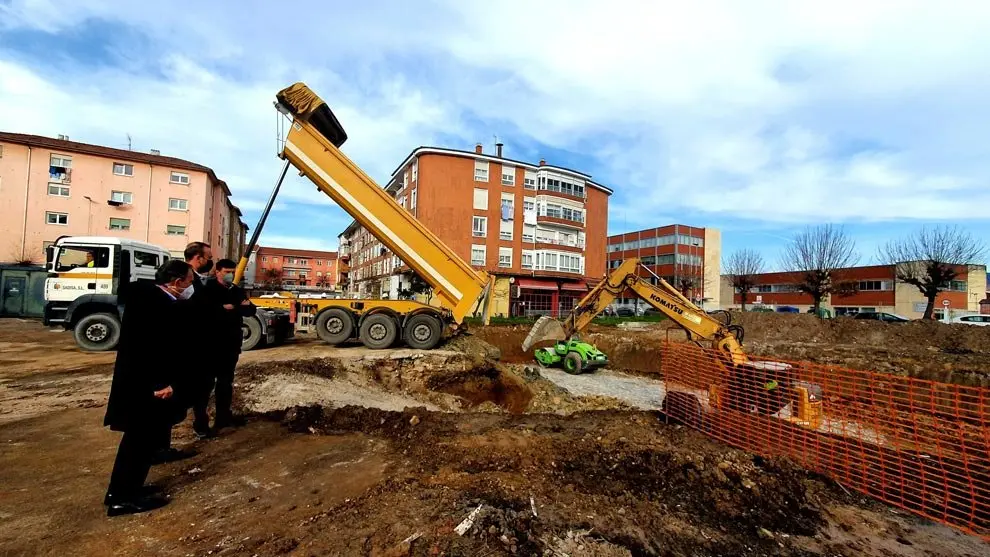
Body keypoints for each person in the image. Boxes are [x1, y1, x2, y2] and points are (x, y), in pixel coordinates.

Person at [103, 260, 193, 516]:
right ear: (176, 282)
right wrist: (160, 383)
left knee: (139, 442)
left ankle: (121, 490)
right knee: (139, 442)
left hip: (143, 386)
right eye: (189, 282)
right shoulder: (155, 305)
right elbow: (148, 350)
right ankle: (123, 499)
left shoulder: (149, 299)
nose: (190, 287)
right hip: (148, 389)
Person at [193, 259, 255, 433]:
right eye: (228, 271)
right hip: (210, 345)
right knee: (205, 385)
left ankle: (223, 418)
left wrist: (238, 307)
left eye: (233, 271)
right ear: (218, 271)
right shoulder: (207, 289)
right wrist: (223, 308)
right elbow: (201, 311)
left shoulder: (236, 290)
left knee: (225, 383)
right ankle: (200, 423)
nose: (231, 274)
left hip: (230, 344)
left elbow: (251, 310)